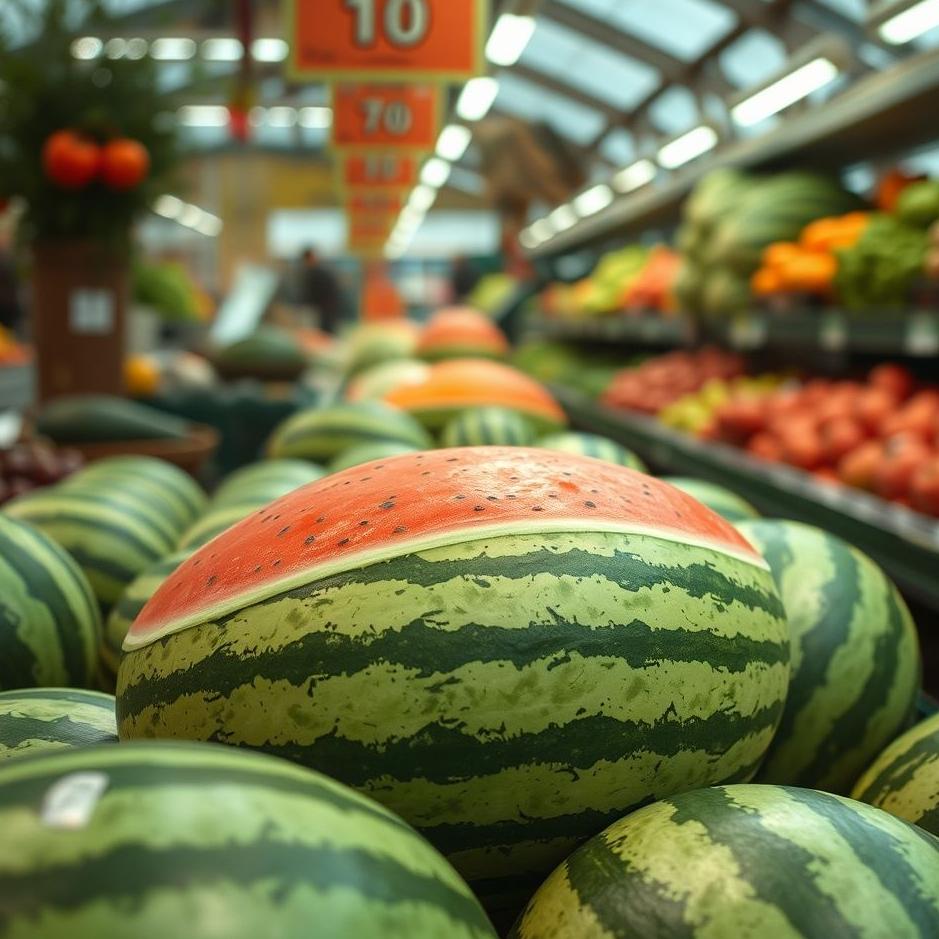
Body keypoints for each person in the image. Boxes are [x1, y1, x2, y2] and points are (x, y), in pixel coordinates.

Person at [297, 245, 342, 335]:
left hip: (324, 310)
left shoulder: (316, 273)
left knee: (324, 333)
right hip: (327, 309)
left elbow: (310, 295)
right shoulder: (320, 271)